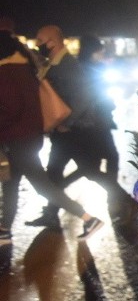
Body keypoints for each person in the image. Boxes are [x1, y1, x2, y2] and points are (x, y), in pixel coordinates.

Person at [0, 30, 103, 244]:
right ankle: (5, 229)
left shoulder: (7, 72)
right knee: (10, 182)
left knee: (41, 185)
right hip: (27, 137)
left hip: (17, 139)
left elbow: (10, 108)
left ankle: (88, 218)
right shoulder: (26, 69)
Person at [25, 25, 127, 233]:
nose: (37, 44)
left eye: (40, 39)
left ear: (53, 41)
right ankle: (50, 214)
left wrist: (66, 123)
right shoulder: (56, 63)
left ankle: (128, 202)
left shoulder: (67, 65)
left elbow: (84, 97)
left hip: (73, 131)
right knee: (54, 173)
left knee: (88, 171)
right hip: (64, 131)